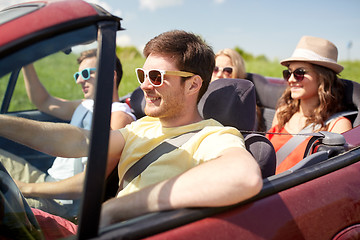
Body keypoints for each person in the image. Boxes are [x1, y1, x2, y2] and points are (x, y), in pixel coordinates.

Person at [0, 30, 263, 233]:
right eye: (143, 75)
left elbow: (244, 177)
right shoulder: (144, 125)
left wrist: (115, 208)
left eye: (157, 77)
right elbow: (82, 140)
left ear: (193, 85)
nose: (145, 86)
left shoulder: (214, 136)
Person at [0, 49, 135, 219]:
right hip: (46, 182)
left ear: (110, 76)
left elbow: (87, 182)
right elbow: (44, 102)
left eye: (86, 73)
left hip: (62, 205)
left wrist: (26, 188)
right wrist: (27, 62)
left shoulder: (119, 118)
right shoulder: (85, 104)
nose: (79, 80)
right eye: (77, 75)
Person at [266, 36, 352, 174]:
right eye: (288, 73)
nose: (292, 79)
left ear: (322, 77)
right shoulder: (283, 113)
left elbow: (337, 177)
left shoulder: (337, 126)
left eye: (299, 73)